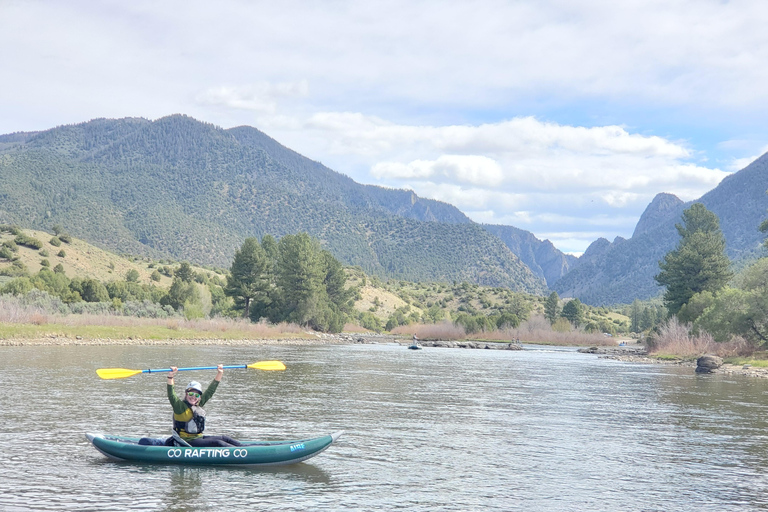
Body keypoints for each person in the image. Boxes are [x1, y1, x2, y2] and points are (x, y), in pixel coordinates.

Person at [164, 364, 242, 447]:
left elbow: (210, 391)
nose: (193, 397)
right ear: (186, 394)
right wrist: (170, 377)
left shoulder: (198, 404)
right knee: (218, 443)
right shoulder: (179, 407)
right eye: (191, 394)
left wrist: (220, 373)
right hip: (186, 441)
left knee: (225, 438)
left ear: (199, 397)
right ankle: (242, 455)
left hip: (198, 438)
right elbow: (171, 394)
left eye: (197, 395)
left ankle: (247, 449)